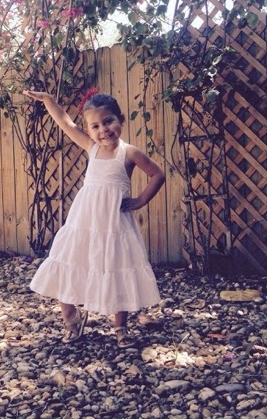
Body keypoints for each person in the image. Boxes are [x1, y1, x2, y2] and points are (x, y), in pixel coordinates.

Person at [23, 89, 165, 348]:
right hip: (84, 222)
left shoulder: (130, 153)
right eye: (95, 126)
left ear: (121, 119)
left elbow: (158, 174)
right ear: (88, 130)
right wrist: (48, 101)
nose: (103, 130)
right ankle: (72, 319)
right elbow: (65, 123)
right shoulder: (92, 147)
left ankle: (120, 327)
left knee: (117, 268)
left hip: (114, 225)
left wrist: (140, 200)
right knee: (68, 262)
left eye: (108, 121)